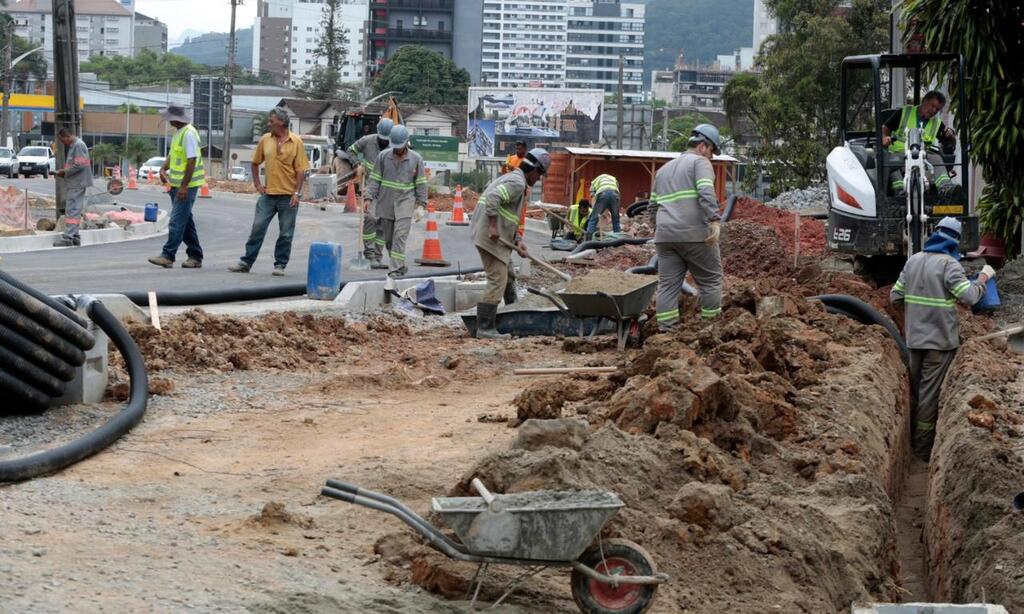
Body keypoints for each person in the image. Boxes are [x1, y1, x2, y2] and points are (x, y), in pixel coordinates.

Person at [890, 217, 994, 461]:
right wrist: (982, 279)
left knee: (918, 390)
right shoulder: (949, 265)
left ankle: (914, 436)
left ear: (934, 234)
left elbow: (895, 297)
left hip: (915, 340)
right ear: (955, 241)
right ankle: (923, 449)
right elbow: (969, 297)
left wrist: (913, 316)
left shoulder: (913, 261)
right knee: (929, 395)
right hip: (940, 343)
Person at [471, 147, 551, 340]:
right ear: (534, 171)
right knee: (498, 279)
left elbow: (510, 216)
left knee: (509, 275)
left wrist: (517, 241)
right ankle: (485, 328)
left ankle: (514, 311)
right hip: (489, 236)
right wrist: (492, 226)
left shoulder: (518, 181)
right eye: (539, 176)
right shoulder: (516, 182)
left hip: (496, 236)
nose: (538, 179)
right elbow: (493, 199)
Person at [651, 124, 723, 330]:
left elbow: (652, 207)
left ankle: (666, 332)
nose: (712, 158)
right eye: (712, 152)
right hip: (695, 234)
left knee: (667, 286)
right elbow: (706, 192)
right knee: (710, 280)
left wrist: (660, 229)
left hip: (665, 238)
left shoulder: (662, 171)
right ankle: (711, 329)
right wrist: (714, 220)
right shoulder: (700, 163)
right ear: (703, 146)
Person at [229, 106, 310, 276]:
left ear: (281, 122)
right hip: (268, 195)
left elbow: (301, 170)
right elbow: (255, 162)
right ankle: (246, 262)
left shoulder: (297, 142)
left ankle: (280, 264)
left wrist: (297, 193)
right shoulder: (266, 139)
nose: (268, 124)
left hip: (288, 196)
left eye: (271, 121)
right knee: (257, 227)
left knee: (286, 233)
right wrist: (258, 184)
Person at [364, 124, 426, 278]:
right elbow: (375, 179)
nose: (397, 150)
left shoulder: (416, 159)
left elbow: (421, 182)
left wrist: (421, 205)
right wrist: (368, 197)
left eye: (400, 146)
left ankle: (394, 270)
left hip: (405, 202)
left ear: (406, 142)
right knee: (390, 240)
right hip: (386, 203)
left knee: (400, 236)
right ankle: (400, 264)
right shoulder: (383, 156)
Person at [148, 104, 205, 268]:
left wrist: (184, 187)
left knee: (176, 221)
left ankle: (168, 255)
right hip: (176, 184)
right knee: (186, 221)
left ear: (174, 118)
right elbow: (174, 155)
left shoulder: (189, 134)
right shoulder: (179, 133)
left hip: (186, 186)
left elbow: (192, 160)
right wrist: (163, 168)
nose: (166, 120)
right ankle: (195, 255)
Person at [883, 90, 958, 195]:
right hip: (900, 153)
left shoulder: (936, 123)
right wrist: (885, 137)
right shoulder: (905, 112)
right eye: (932, 106)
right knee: (892, 162)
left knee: (937, 158)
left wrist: (951, 136)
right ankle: (900, 190)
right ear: (924, 101)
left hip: (922, 156)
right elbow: (885, 127)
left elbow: (949, 142)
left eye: (937, 109)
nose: (934, 110)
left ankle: (945, 188)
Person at [349, 118, 394, 267]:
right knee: (370, 218)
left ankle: (377, 256)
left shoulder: (395, 145)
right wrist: (357, 164)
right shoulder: (367, 141)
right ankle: (369, 254)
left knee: (383, 222)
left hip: (387, 189)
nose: (384, 142)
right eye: (382, 139)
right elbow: (351, 150)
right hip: (370, 186)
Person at [52, 128, 92, 247]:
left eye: (62, 140)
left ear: (66, 137)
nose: (62, 143)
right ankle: (74, 235)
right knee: (75, 209)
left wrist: (64, 172)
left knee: (72, 209)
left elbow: (78, 165)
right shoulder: (75, 145)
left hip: (77, 183)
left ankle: (68, 237)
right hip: (76, 182)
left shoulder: (78, 145)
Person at [584, 173, 621, 240]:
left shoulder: (594, 182)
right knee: (616, 220)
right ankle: (618, 240)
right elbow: (616, 191)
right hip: (615, 195)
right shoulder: (613, 178)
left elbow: (593, 196)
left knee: (593, 219)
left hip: (602, 194)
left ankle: (588, 241)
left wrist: (594, 211)